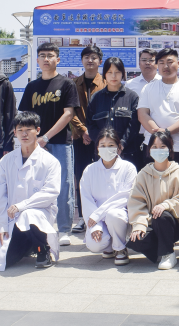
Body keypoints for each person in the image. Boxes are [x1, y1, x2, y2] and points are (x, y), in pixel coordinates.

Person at [18, 42, 80, 246]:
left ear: (57, 59)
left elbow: (68, 114)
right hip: (35, 145)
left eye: (50, 55)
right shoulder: (32, 86)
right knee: (34, 184)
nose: (46, 59)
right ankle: (38, 227)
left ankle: (64, 229)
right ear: (37, 60)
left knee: (64, 185)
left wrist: (46, 137)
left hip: (60, 142)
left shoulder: (66, 84)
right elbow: (25, 116)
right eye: (42, 55)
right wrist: (30, 139)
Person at [0, 112, 62, 271]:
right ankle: (28, 246)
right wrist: (0, 225)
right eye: (20, 130)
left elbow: (51, 192)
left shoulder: (50, 161)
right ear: (14, 132)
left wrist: (21, 206)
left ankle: (42, 250)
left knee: (29, 214)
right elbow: (1, 196)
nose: (24, 134)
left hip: (40, 214)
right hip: (12, 218)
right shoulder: (6, 161)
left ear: (38, 130)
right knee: (4, 260)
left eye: (28, 130)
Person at [127, 131, 179, 269]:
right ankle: (161, 248)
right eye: (154, 147)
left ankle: (168, 254)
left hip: (173, 223)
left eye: (162, 146)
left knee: (161, 216)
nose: (158, 150)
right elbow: (136, 202)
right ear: (149, 149)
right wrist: (139, 224)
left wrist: (166, 205)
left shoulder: (178, 171)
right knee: (135, 240)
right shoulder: (143, 174)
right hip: (151, 223)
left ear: (170, 149)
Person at [80, 128, 138, 265]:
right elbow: (86, 198)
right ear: (97, 148)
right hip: (96, 218)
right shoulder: (90, 170)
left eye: (111, 145)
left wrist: (98, 214)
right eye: (103, 145)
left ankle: (120, 248)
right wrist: (95, 226)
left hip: (120, 215)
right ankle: (108, 246)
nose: (107, 149)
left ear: (118, 147)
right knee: (95, 245)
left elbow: (125, 196)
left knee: (113, 215)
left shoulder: (128, 168)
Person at [137, 48, 179, 171]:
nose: (166, 66)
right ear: (157, 65)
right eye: (161, 62)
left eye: (170, 62)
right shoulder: (148, 88)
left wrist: (167, 132)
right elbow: (142, 114)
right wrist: (158, 136)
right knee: (152, 181)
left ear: (178, 64)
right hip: (153, 147)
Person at [71, 45, 107, 234]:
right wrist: (84, 130)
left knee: (103, 177)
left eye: (94, 57)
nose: (90, 60)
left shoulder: (106, 83)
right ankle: (83, 218)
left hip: (103, 139)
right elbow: (70, 111)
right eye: (86, 57)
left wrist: (94, 134)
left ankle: (103, 215)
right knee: (82, 177)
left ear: (100, 61)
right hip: (80, 138)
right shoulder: (73, 84)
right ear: (82, 60)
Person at [87, 57, 142, 165]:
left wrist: (121, 144)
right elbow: (90, 125)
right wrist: (104, 144)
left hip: (127, 153)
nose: (113, 76)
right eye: (109, 72)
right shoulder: (96, 98)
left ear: (123, 74)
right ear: (104, 74)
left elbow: (134, 125)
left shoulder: (132, 97)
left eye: (117, 72)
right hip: (102, 154)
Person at [126, 48, 162, 168]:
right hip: (135, 134)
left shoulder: (163, 83)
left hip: (157, 134)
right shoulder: (130, 84)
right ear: (139, 62)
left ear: (157, 63)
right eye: (144, 60)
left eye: (151, 60)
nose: (147, 63)